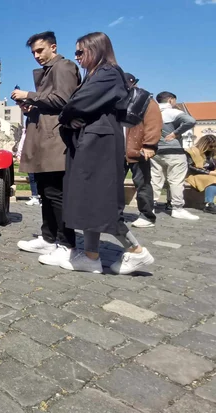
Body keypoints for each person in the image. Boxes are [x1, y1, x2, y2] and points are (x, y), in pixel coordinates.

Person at [58, 32, 154, 274]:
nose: (77, 57)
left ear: (96, 49)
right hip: (93, 140)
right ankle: (91, 256)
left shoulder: (108, 72)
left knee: (99, 200)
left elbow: (76, 103)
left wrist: (66, 115)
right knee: (89, 199)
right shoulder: (98, 74)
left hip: (98, 143)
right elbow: (77, 103)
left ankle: (136, 251)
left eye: (80, 52)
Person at [12, 31, 81, 266]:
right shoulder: (51, 69)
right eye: (33, 52)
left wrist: (29, 96)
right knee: (45, 192)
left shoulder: (63, 67)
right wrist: (31, 107)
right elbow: (51, 102)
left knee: (57, 194)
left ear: (53, 47)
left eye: (40, 50)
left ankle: (67, 244)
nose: (36, 56)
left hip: (56, 140)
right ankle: (49, 237)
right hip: (45, 137)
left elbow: (64, 100)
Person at [150, 91, 199, 220]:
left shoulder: (151, 112)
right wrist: (176, 133)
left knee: (155, 180)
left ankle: (151, 206)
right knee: (176, 180)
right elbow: (191, 121)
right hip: (174, 150)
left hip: (156, 151)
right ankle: (177, 208)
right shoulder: (172, 111)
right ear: (170, 100)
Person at [123, 73, 162, 228]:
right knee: (113, 184)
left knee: (143, 184)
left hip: (138, 149)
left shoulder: (146, 101)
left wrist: (149, 144)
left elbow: (154, 122)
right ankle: (114, 213)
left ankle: (147, 215)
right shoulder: (116, 100)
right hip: (117, 150)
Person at [185, 135, 216, 215]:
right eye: (211, 146)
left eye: (215, 146)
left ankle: (210, 204)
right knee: (212, 180)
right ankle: (209, 204)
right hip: (193, 174)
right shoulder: (191, 151)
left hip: (209, 175)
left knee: (212, 179)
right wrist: (209, 173)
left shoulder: (212, 153)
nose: (213, 148)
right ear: (204, 144)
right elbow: (190, 167)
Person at [16, 127, 40, 206]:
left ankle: (41, 197)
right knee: (32, 177)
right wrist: (19, 154)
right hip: (29, 155)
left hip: (38, 155)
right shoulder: (25, 131)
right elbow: (22, 143)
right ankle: (35, 196)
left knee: (41, 177)